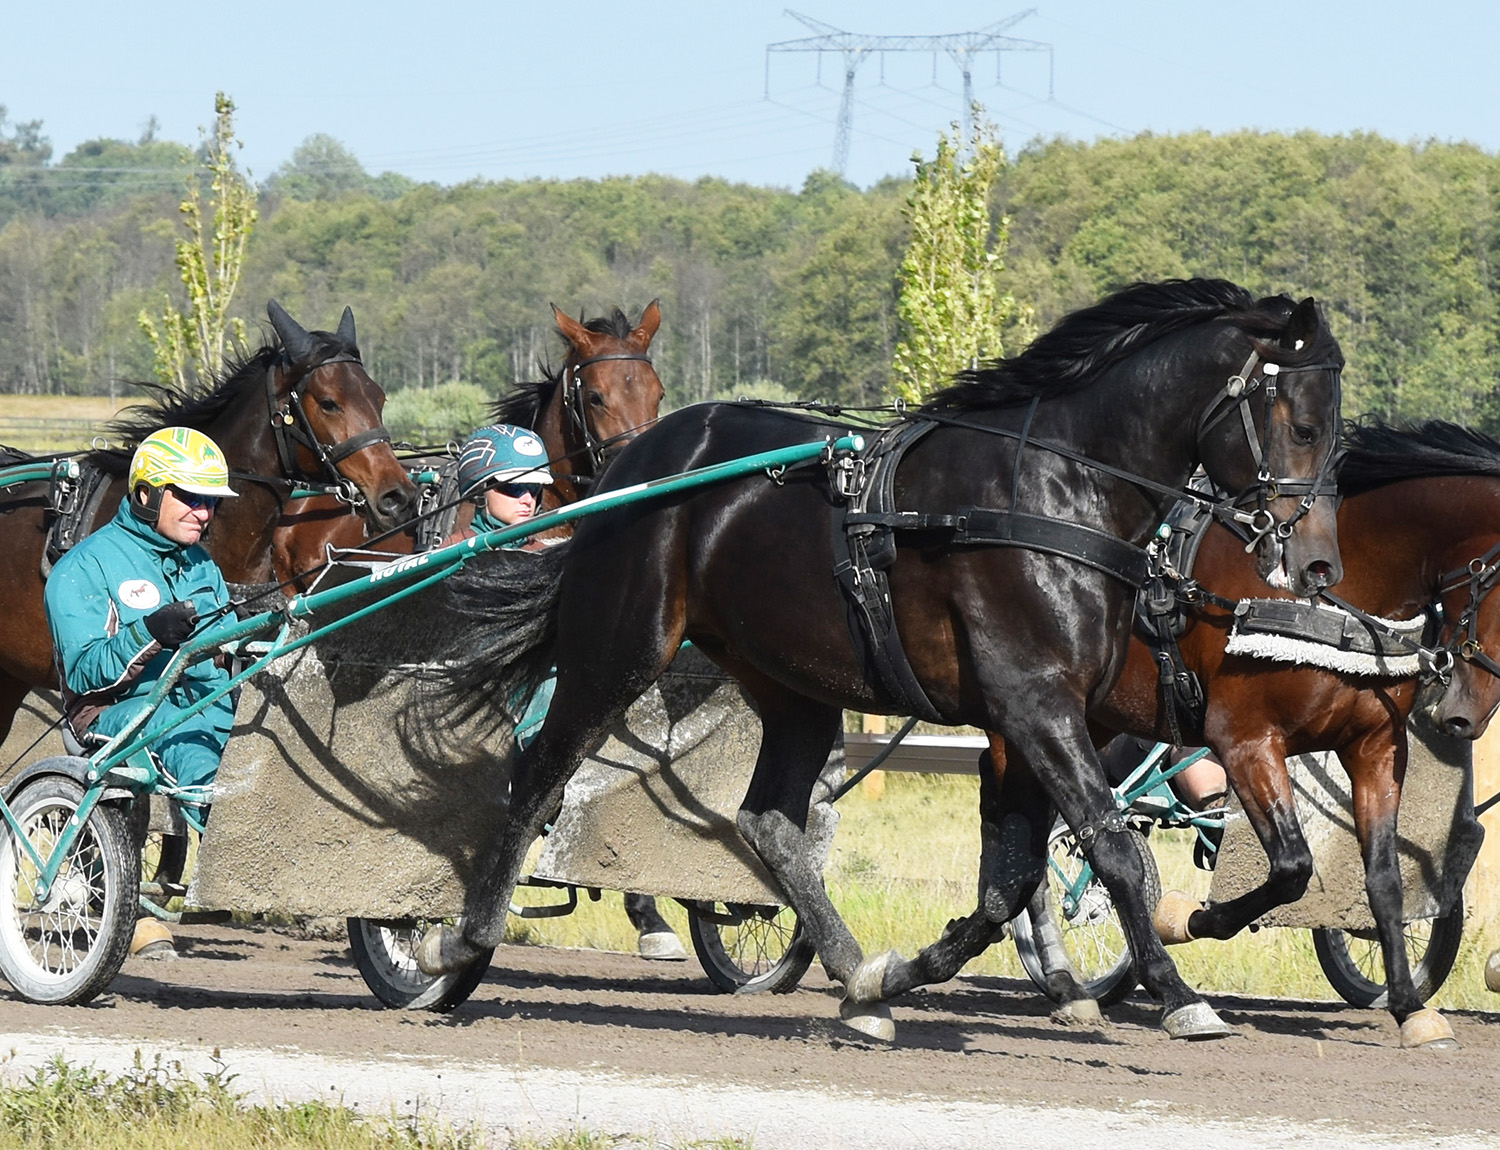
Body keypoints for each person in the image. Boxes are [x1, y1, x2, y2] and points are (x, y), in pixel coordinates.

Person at [447, 423, 688, 961]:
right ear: (477, 489)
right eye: (513, 487)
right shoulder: (455, 556)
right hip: (498, 705)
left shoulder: (558, 549)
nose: (529, 498)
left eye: (536, 487)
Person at [44, 427, 239, 958]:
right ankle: (244, 862)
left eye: (211, 502)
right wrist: (148, 633)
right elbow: (84, 674)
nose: (204, 513)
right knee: (190, 747)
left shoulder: (202, 565)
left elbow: (226, 650)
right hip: (117, 714)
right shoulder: (82, 567)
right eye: (191, 497)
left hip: (202, 705)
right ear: (146, 494)